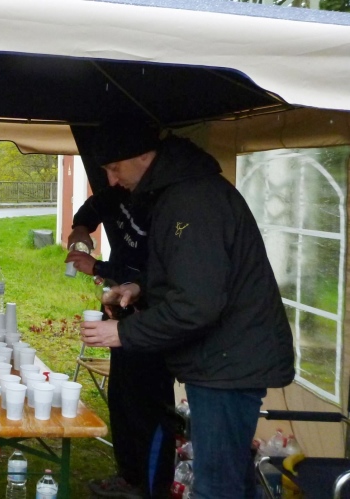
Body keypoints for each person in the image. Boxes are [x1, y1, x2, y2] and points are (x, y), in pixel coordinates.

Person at [79, 116, 295, 499]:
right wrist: (139, 286)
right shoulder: (179, 194)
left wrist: (123, 332)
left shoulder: (191, 201)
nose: (111, 180)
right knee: (233, 481)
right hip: (223, 360)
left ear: (144, 156)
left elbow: (197, 304)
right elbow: (193, 270)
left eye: (114, 168)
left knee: (216, 488)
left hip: (227, 365)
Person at [65, 176, 175, 498]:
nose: (112, 177)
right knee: (121, 399)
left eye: (115, 168)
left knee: (149, 408)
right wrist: (81, 229)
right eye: (107, 169)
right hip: (124, 314)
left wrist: (98, 267)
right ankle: (128, 477)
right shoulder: (119, 190)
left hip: (154, 323)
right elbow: (93, 208)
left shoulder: (165, 206)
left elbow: (160, 279)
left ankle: (153, 488)